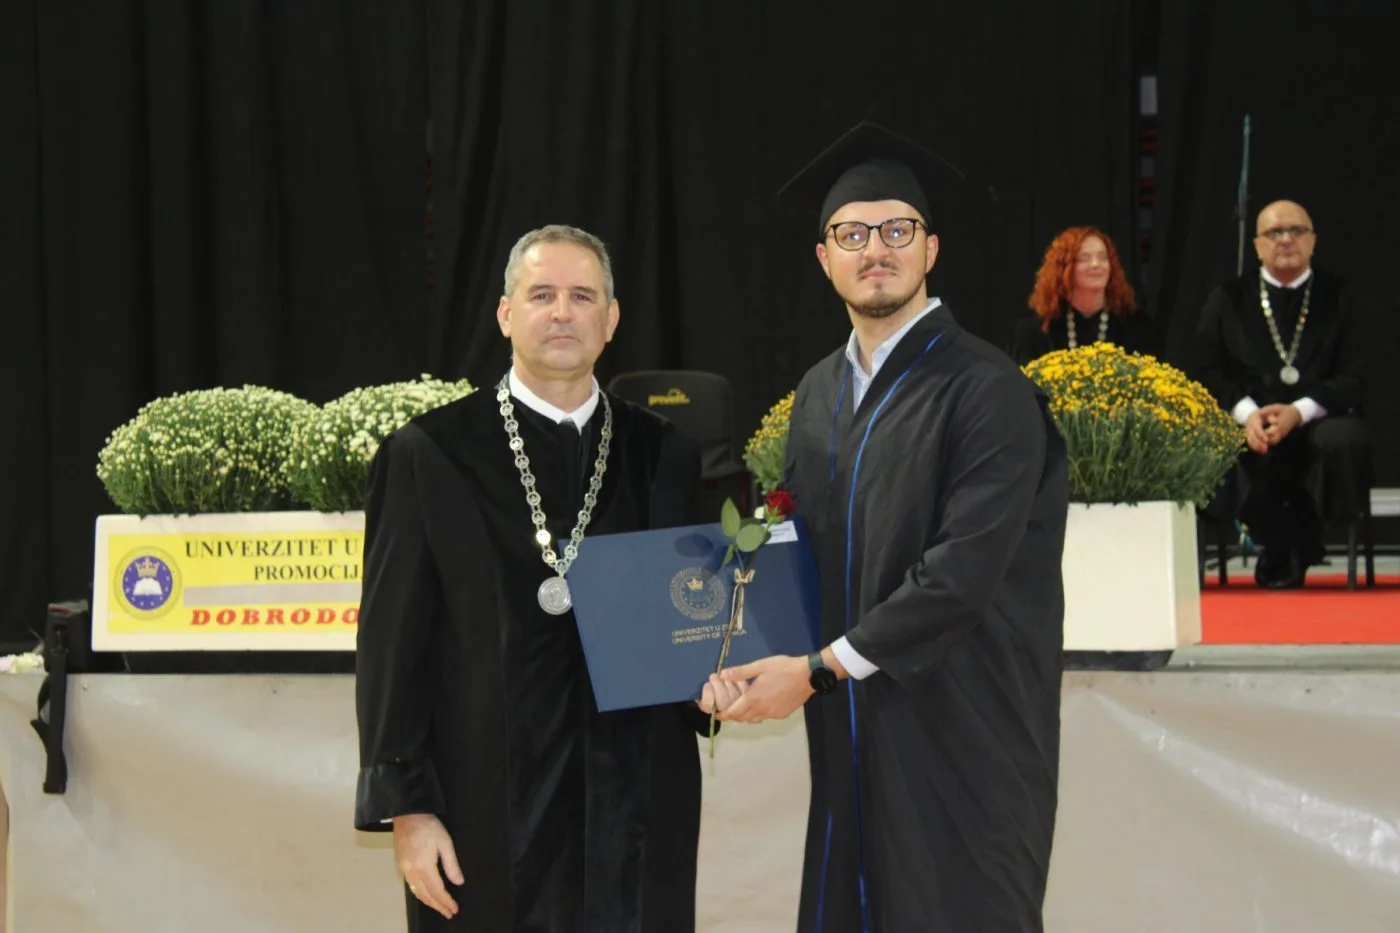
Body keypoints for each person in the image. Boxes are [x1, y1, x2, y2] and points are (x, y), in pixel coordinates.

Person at [717, 122, 1069, 932]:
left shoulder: (988, 389)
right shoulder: (818, 391)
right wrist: (721, 644)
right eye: (852, 234)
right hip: (851, 730)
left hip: (962, 723)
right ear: (824, 258)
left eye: (897, 231)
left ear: (930, 248)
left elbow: (959, 577)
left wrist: (817, 669)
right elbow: (801, 546)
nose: (876, 249)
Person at [353, 224, 744, 931]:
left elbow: (690, 619)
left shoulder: (664, 455)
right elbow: (390, 647)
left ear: (611, 318)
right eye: (541, 295)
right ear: (506, 314)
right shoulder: (428, 455)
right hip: (480, 804)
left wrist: (716, 679)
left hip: (637, 801)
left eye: (582, 296)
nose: (562, 312)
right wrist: (409, 810)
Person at [1190, 199, 1369, 588]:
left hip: (1320, 415)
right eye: (1274, 233)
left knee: (1342, 439)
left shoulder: (1340, 297)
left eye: (1295, 231)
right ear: (1257, 245)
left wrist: (1299, 411)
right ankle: (1281, 544)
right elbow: (1206, 371)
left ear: (1312, 241)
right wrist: (1247, 414)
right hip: (1248, 418)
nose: (1285, 239)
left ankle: (1293, 544)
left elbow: (1357, 374)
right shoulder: (1228, 298)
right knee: (1219, 443)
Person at [1009, 225, 1160, 365]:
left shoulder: (1136, 324)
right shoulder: (1036, 327)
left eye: (1102, 257)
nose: (1096, 264)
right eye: (1084, 258)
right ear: (1063, 269)